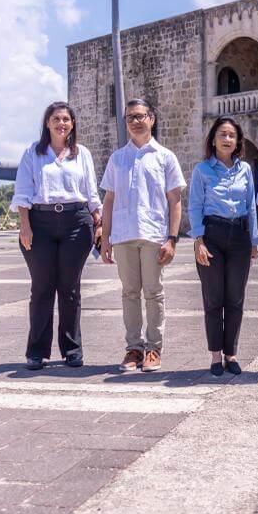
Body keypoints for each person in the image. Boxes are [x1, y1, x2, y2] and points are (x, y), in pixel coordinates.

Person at [10, 102, 102, 370]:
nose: (61, 123)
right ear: (47, 123)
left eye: (66, 119)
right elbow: (23, 192)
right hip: (40, 223)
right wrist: (25, 226)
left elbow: (91, 192)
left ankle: (72, 350)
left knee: (70, 289)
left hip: (76, 222)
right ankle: (36, 352)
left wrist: (99, 222)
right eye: (56, 119)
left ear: (72, 124)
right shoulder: (33, 153)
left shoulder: (81, 153)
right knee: (41, 288)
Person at [101, 98, 186, 373]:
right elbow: (109, 200)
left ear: (152, 119)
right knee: (129, 293)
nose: (135, 121)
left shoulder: (165, 157)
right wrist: (105, 238)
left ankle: (153, 348)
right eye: (130, 117)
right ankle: (134, 348)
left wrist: (172, 239)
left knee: (153, 292)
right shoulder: (117, 158)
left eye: (140, 116)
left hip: (153, 234)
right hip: (123, 235)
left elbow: (175, 200)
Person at [189, 117, 258, 377]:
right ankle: (215, 355)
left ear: (238, 141)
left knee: (235, 298)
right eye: (222, 134)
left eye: (231, 135)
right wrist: (198, 241)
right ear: (213, 140)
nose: (227, 139)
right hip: (211, 236)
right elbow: (195, 206)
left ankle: (231, 354)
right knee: (213, 298)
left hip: (239, 237)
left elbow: (251, 205)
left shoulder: (245, 170)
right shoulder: (202, 170)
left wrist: (254, 240)